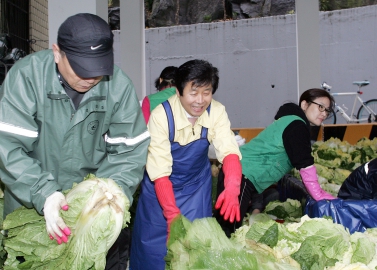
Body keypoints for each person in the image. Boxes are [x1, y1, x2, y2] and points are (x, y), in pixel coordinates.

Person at [0, 13, 150, 269]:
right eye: (82, 68)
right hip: (32, 208)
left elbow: (130, 150)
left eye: (99, 69)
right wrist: (45, 195)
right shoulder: (26, 78)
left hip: (91, 216)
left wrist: (104, 201)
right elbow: (8, 147)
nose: (91, 79)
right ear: (57, 53)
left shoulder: (118, 86)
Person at [130, 59, 242, 269]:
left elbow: (229, 152)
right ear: (179, 92)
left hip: (196, 189)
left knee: (195, 249)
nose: (200, 100)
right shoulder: (161, 116)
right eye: (193, 92)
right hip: (160, 190)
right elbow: (160, 171)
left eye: (206, 92)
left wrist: (233, 188)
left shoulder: (216, 111)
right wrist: (172, 214)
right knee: (153, 252)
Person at [215, 88, 337, 236]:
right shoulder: (297, 125)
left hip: (239, 173)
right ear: (304, 104)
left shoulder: (290, 120)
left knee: (226, 227)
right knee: (229, 231)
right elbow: (304, 163)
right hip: (240, 176)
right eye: (320, 107)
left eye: (327, 110)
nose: (324, 113)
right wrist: (318, 194)